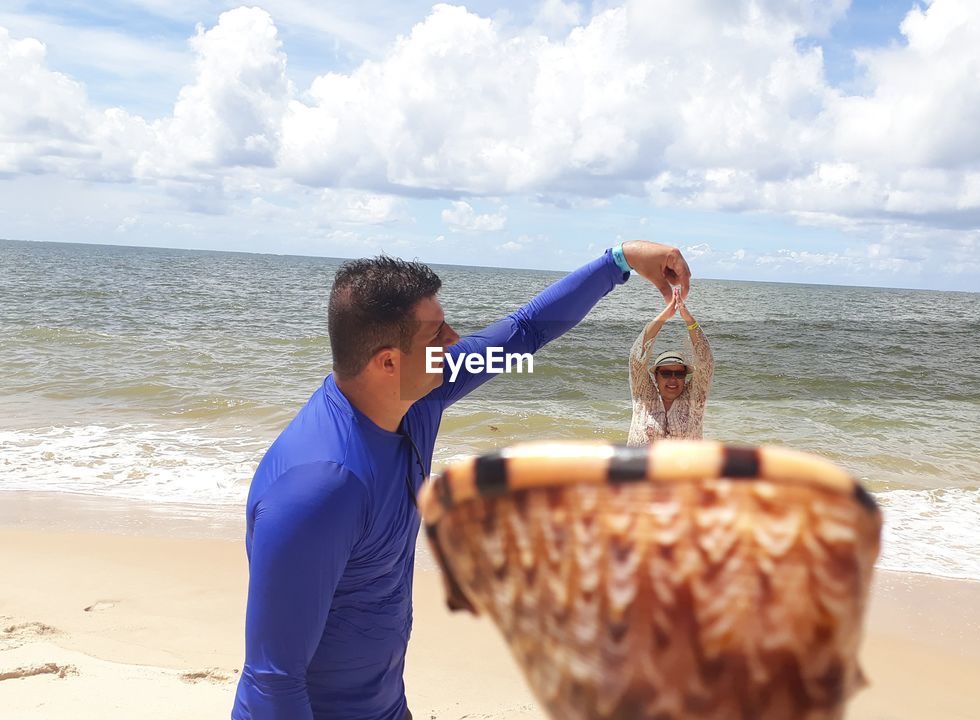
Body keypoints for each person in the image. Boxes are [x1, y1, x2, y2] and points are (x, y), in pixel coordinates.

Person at [232, 241, 690, 720]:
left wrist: (618, 261)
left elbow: (524, 331)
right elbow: (272, 683)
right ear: (388, 361)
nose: (454, 341)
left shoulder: (415, 399)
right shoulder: (321, 488)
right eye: (436, 336)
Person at [627, 289, 712, 446]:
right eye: (666, 373)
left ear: (685, 377)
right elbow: (636, 358)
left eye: (679, 374)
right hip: (638, 469)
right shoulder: (644, 396)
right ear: (656, 376)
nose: (673, 379)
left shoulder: (694, 399)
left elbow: (705, 362)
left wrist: (689, 321)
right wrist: (665, 316)